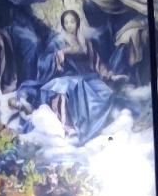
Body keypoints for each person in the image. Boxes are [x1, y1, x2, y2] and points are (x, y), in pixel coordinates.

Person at [21, 9, 127, 143]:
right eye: (66, 22)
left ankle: (90, 128)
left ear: (77, 22)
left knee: (106, 93)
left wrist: (109, 75)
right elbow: (43, 62)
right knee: (65, 87)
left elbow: (97, 62)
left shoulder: (85, 42)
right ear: (63, 24)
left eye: (72, 21)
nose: (69, 25)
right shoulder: (58, 41)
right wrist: (63, 52)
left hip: (87, 77)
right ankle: (68, 127)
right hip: (65, 77)